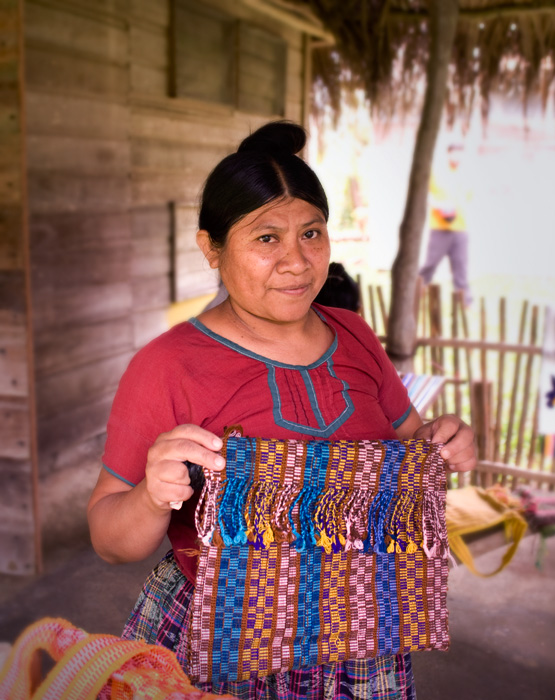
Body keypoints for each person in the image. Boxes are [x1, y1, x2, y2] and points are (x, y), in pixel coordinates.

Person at [88, 121, 476, 700]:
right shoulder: (168, 365)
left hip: (363, 635)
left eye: (312, 234)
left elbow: (414, 442)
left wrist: (447, 441)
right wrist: (151, 495)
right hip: (223, 642)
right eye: (266, 238)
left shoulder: (354, 335)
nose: (297, 262)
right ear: (211, 248)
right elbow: (108, 537)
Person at [419, 143, 473, 306]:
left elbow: (468, 200)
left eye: (460, 153)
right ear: (448, 154)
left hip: (460, 229)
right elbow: (424, 194)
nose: (457, 157)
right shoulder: (436, 173)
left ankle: (465, 304)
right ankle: (414, 295)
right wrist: (439, 206)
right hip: (439, 229)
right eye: (454, 153)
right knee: (429, 266)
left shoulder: (467, 175)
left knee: (461, 269)